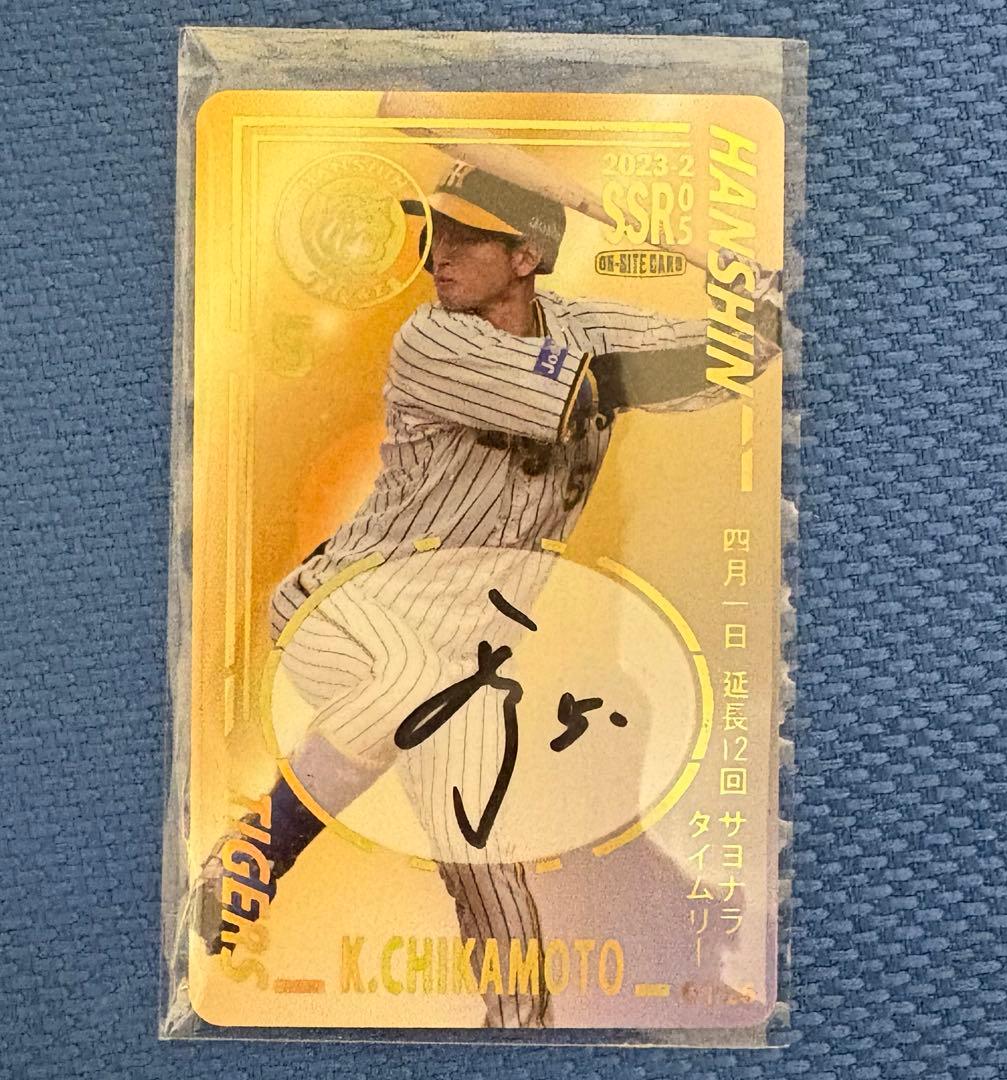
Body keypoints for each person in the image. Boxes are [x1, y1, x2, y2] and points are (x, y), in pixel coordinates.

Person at [193, 161, 779, 1028]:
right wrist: (739, 326)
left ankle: (523, 1034)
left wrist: (756, 312)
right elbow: (593, 390)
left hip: (461, 660)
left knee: (483, 846)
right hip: (346, 606)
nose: (440, 251)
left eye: (467, 236)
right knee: (410, 684)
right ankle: (253, 854)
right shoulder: (432, 341)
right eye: (438, 230)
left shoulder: (582, 323)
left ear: (526, 256)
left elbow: (719, 368)